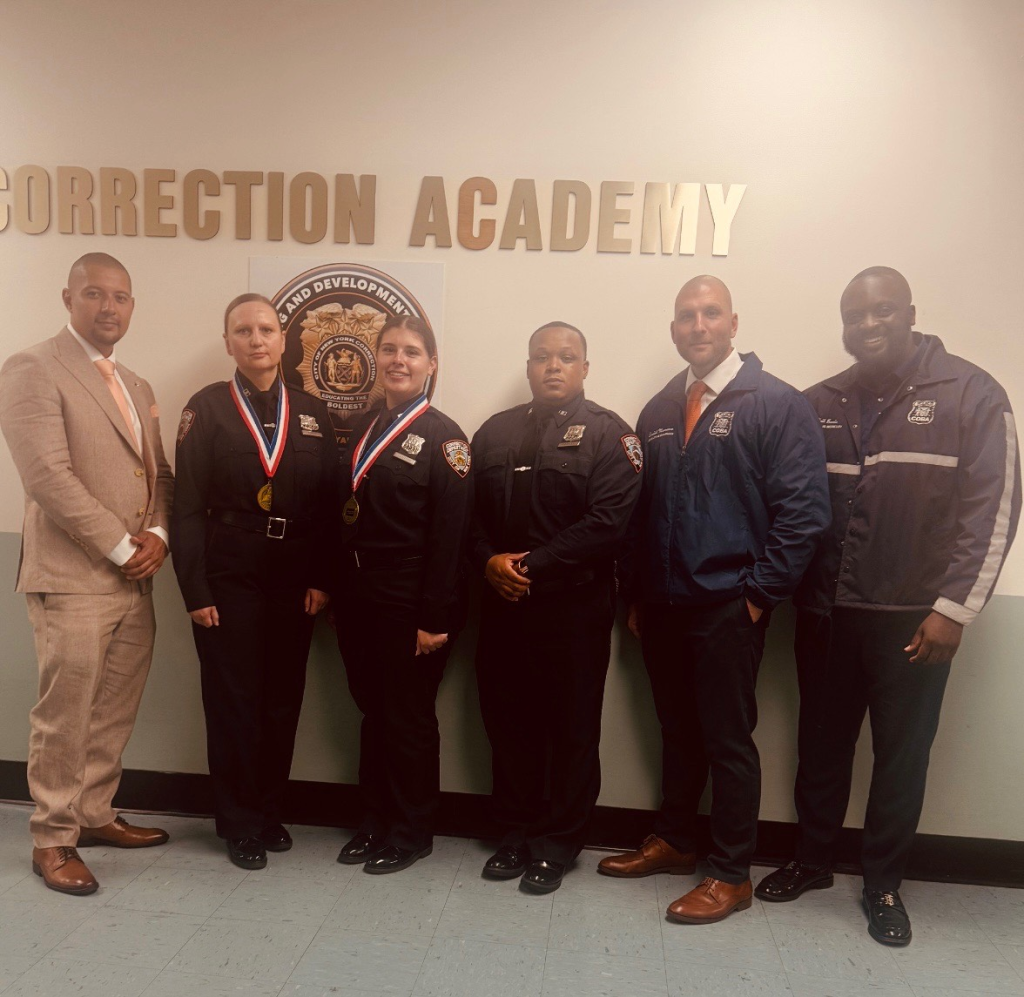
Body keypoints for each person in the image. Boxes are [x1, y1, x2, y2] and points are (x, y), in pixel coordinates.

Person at [755, 267, 1021, 945]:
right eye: (854, 314)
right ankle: (812, 860)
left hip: (914, 620)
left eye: (881, 310)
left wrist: (954, 609)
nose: (867, 324)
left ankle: (882, 883)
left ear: (909, 312)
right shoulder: (819, 401)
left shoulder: (971, 393)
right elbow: (785, 504)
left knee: (901, 756)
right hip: (824, 614)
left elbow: (993, 510)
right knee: (821, 746)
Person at [600, 276, 830, 924]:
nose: (697, 325)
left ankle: (731, 873)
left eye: (710, 313)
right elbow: (641, 512)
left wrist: (758, 596)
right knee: (677, 732)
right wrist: (638, 593)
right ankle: (675, 839)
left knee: (728, 740)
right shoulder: (658, 410)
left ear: (733, 322)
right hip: (662, 608)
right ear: (673, 329)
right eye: (686, 315)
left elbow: (805, 514)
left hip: (729, 606)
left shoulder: (776, 404)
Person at [0, 253, 173, 896]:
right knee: (65, 712)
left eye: (121, 297)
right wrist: (120, 547)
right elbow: (46, 476)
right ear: (67, 298)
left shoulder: (137, 383)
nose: (109, 307)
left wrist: (158, 535)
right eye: (95, 294)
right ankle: (52, 838)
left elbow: (160, 474)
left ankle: (95, 814)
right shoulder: (32, 367)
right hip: (72, 575)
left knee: (113, 707)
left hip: (136, 577)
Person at [471, 321, 642, 894]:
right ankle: (515, 832)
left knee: (571, 729)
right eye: (542, 356)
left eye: (566, 357)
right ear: (527, 367)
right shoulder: (493, 433)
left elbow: (608, 523)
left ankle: (558, 843)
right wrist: (489, 562)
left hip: (574, 608)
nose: (553, 366)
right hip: (502, 606)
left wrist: (530, 566)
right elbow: (467, 518)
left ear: (584, 368)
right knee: (507, 724)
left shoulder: (610, 434)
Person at [170, 293, 337, 870]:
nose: (256, 339)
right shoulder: (207, 409)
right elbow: (186, 507)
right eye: (243, 330)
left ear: (284, 339)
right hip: (230, 575)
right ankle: (238, 822)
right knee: (234, 701)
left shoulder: (313, 411)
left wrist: (321, 577)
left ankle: (268, 812)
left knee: (282, 699)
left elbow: (328, 507)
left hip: (294, 577)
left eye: (266, 329)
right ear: (228, 343)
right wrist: (195, 589)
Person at [333, 315, 472, 874]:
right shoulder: (364, 427)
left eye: (412, 352)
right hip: (359, 595)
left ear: (431, 364)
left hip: (412, 599)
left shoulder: (446, 439)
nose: (398, 360)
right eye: (389, 349)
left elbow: (452, 538)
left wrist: (435, 617)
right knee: (373, 713)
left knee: (408, 718)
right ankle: (374, 821)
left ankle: (411, 832)